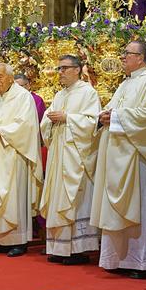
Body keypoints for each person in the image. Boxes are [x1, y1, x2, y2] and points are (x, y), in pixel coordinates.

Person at [90, 40, 146, 279]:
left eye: (127, 53)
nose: (123, 57)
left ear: (141, 58)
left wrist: (114, 116)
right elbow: (113, 109)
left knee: (142, 207)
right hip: (119, 157)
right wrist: (103, 115)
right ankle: (119, 260)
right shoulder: (125, 84)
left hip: (139, 157)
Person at [39, 55, 101, 265]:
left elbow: (93, 122)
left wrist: (67, 118)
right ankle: (59, 247)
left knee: (75, 199)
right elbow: (45, 122)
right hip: (59, 154)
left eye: (64, 68)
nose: (61, 72)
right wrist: (50, 121)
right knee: (58, 198)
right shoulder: (59, 95)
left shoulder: (88, 93)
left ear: (77, 69)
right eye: (59, 68)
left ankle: (78, 249)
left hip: (77, 157)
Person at [0, 63, 43, 257]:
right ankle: (0, 240)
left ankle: (19, 240)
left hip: (14, 155)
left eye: (0, 77)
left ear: (10, 78)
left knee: (13, 197)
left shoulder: (23, 97)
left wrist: (0, 130)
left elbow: (27, 126)